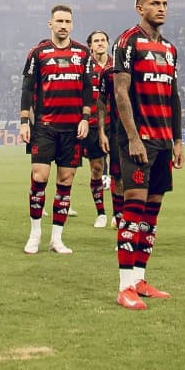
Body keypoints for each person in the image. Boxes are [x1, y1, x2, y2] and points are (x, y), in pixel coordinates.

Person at [112, 0, 184, 310]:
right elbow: (121, 92)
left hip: (163, 141)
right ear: (140, 7)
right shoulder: (127, 42)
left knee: (151, 214)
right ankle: (124, 286)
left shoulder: (169, 48)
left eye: (165, 3)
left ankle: (140, 278)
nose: (162, 8)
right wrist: (133, 137)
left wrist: (178, 139)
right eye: (155, 3)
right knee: (133, 211)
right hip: (138, 141)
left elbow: (174, 96)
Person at [18, 5, 94, 255]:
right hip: (45, 127)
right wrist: (23, 122)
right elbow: (27, 88)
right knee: (39, 176)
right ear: (50, 24)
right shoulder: (38, 52)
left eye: (67, 21)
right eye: (59, 21)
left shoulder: (83, 53)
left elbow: (87, 89)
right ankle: (35, 233)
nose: (63, 25)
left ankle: (57, 239)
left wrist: (85, 118)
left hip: (73, 129)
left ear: (72, 25)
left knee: (65, 181)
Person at [83, 30, 112, 228]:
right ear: (90, 46)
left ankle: (119, 214)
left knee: (120, 171)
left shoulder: (117, 65)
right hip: (93, 125)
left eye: (103, 40)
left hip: (115, 124)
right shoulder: (84, 67)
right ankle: (101, 213)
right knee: (97, 168)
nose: (100, 43)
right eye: (96, 41)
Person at [96, 55, 123, 229]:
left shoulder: (142, 70)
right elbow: (101, 100)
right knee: (118, 178)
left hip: (144, 133)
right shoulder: (108, 74)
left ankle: (137, 222)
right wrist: (101, 132)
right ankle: (119, 219)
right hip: (116, 133)